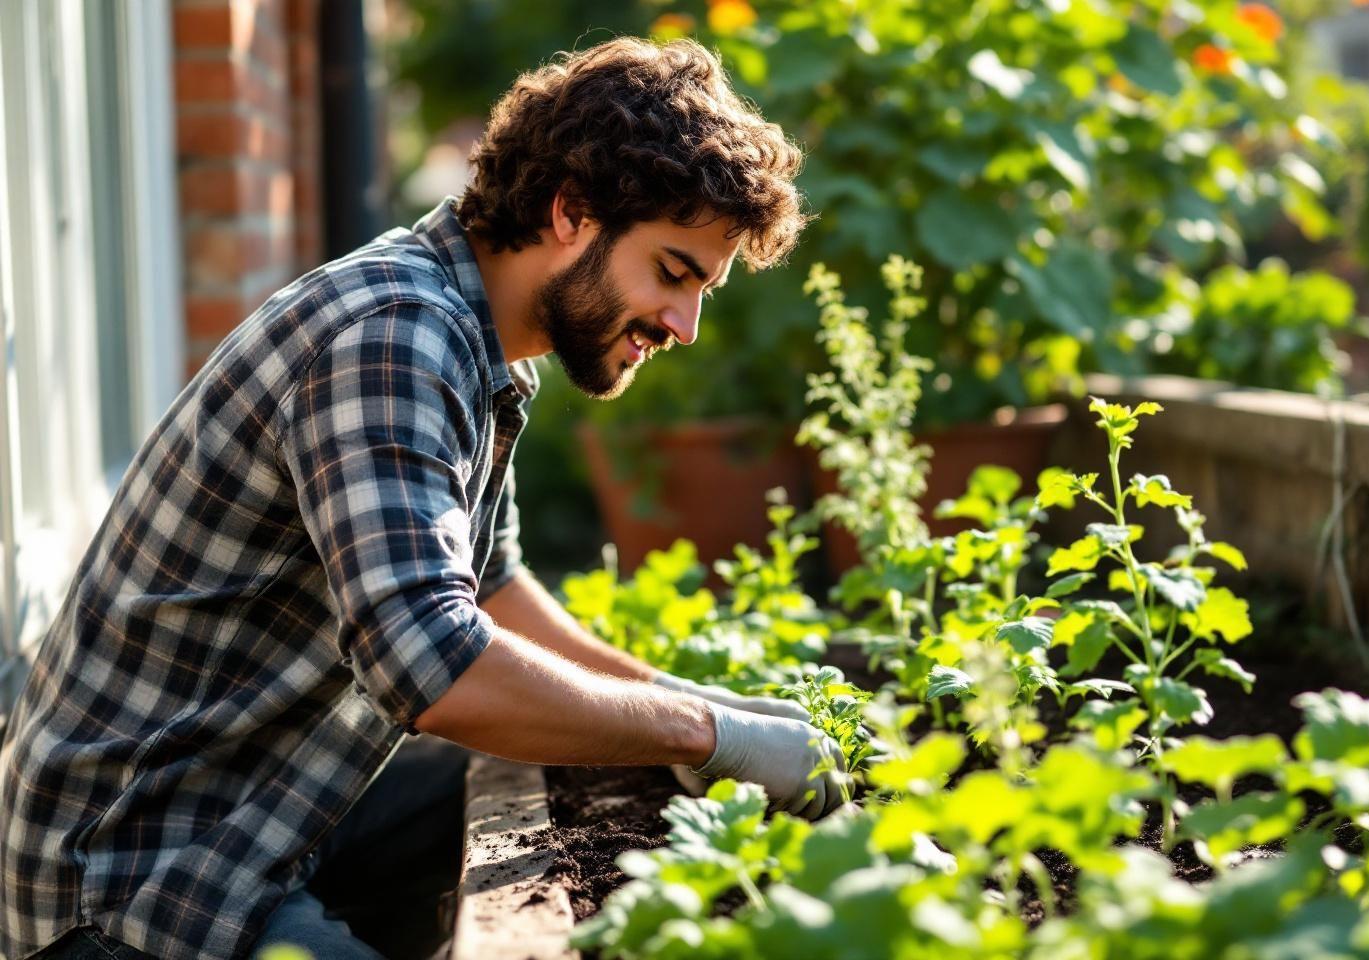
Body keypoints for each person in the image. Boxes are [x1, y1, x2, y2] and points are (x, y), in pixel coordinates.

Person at [0, 36, 845, 960]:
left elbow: (490, 587)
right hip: (134, 871)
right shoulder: (394, 335)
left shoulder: (481, 343)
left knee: (549, 796)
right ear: (571, 212)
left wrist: (686, 707)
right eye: (674, 273)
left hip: (260, 800)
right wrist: (707, 734)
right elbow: (432, 666)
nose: (684, 325)